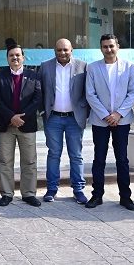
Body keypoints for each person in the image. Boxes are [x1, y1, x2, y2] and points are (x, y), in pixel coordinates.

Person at [84, 34, 134, 211]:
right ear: (101, 48)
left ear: (117, 47)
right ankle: (97, 195)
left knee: (122, 159)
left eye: (111, 46)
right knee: (99, 159)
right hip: (100, 121)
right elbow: (90, 94)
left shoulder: (129, 66)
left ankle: (125, 197)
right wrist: (106, 115)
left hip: (122, 120)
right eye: (105, 46)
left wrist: (118, 114)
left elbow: (132, 93)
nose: (108, 49)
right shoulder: (93, 68)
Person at [38, 38, 89, 204]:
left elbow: (88, 91)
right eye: (59, 50)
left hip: (74, 118)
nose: (62, 53)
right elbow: (40, 90)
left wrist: (84, 111)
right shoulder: (45, 66)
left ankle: (78, 190)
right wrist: (42, 110)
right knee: (54, 154)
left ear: (71, 50)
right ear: (54, 51)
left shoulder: (82, 66)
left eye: (65, 49)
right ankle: (52, 189)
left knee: (76, 155)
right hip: (53, 118)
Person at [0, 45, 43, 207]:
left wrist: (22, 117)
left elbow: (37, 99)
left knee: (29, 161)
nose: (15, 58)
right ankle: (7, 194)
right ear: (7, 58)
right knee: (5, 161)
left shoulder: (34, 76)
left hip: (27, 125)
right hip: (6, 125)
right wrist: (11, 117)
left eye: (18, 55)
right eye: (11, 55)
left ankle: (29, 193)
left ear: (23, 57)